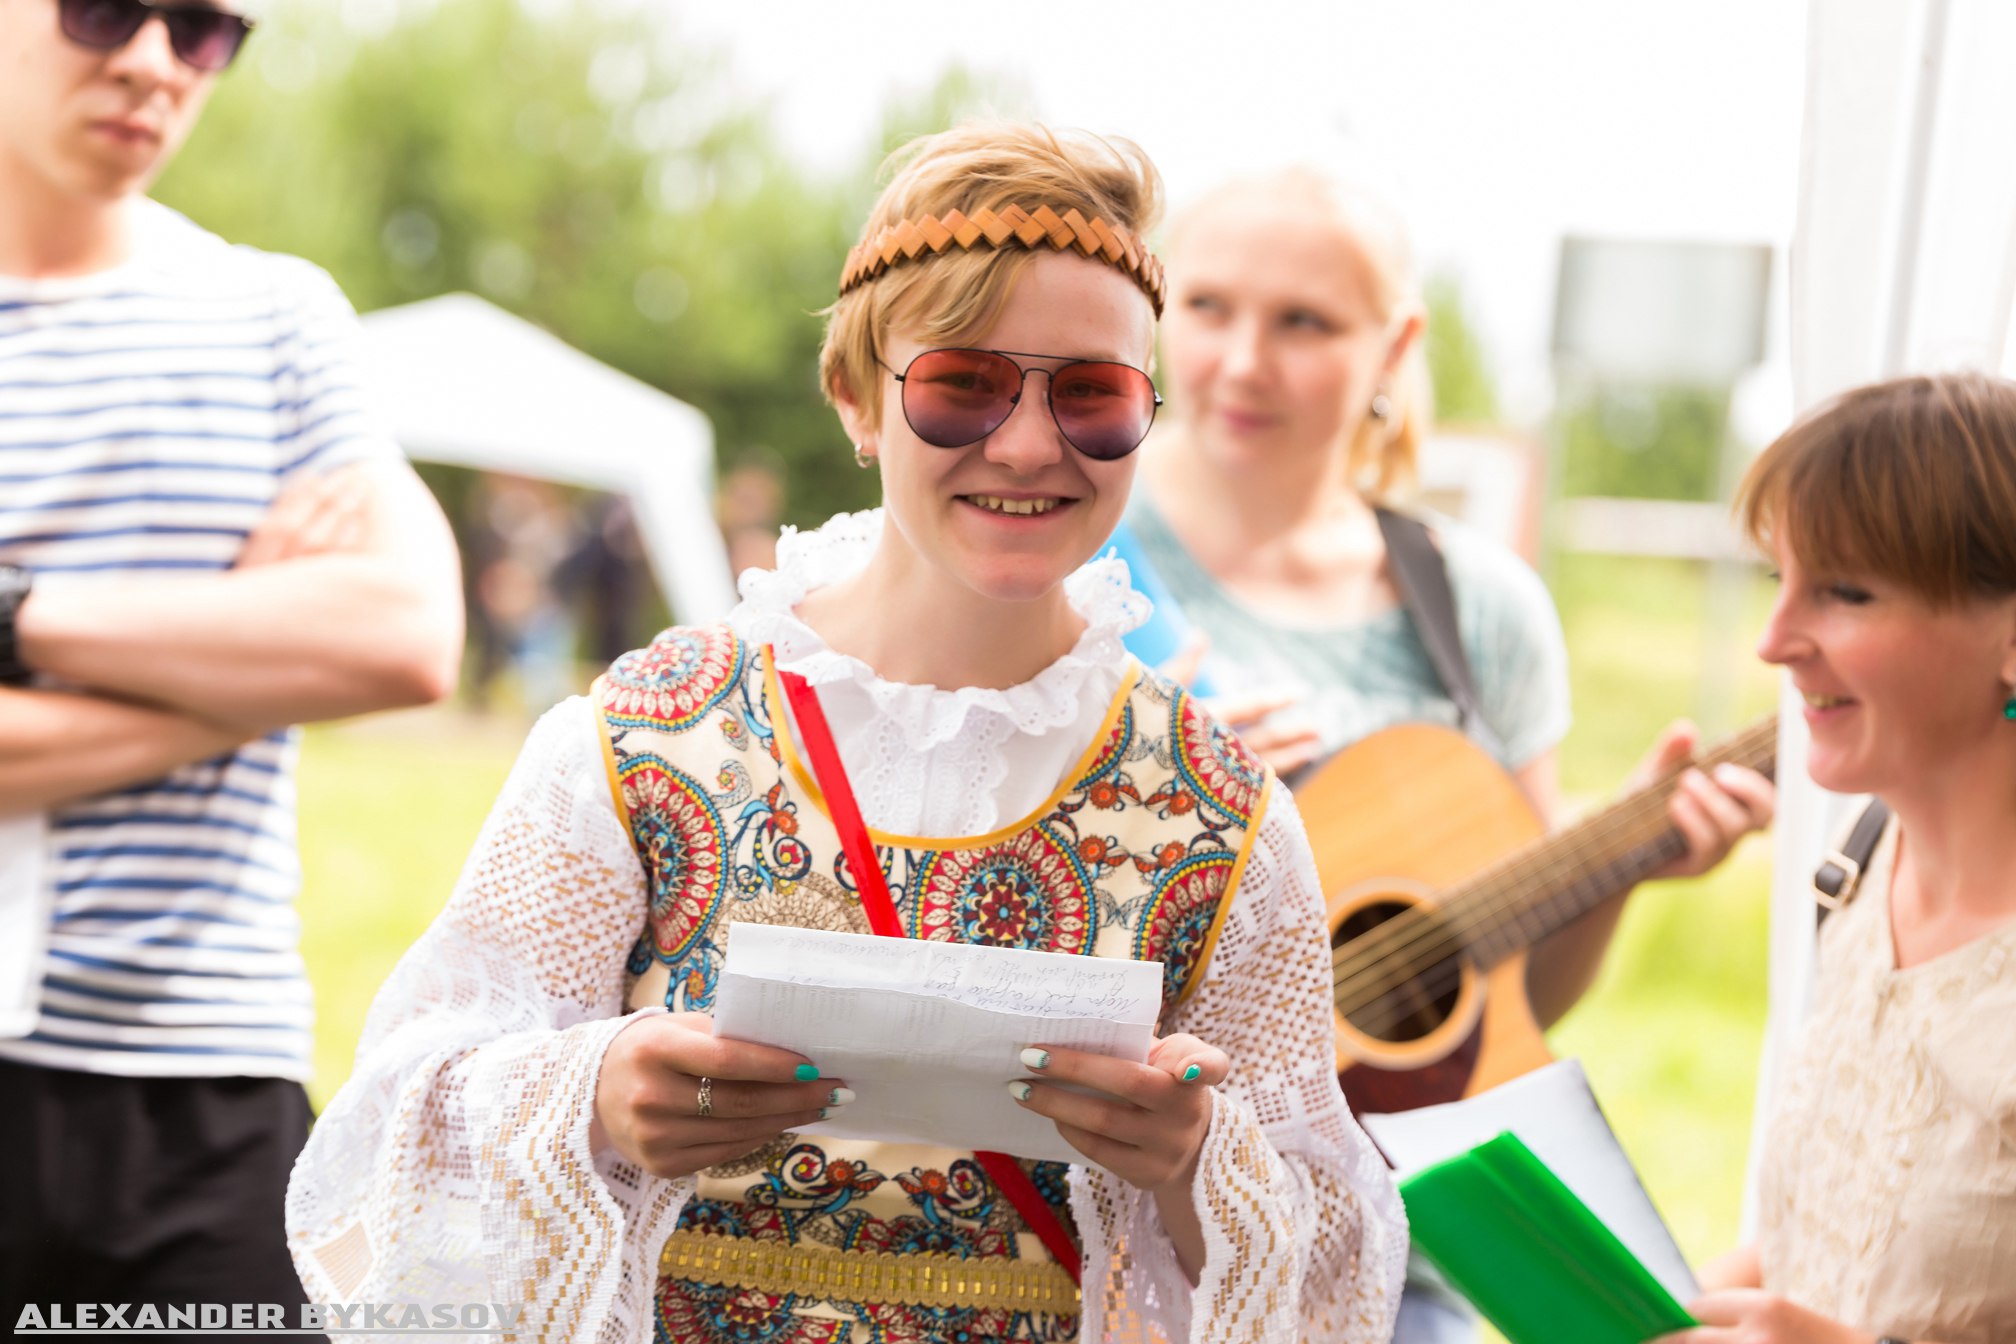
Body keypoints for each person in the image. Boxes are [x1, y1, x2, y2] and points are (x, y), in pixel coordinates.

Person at [287, 124, 1407, 1343]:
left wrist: (1197, 1161)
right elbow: (399, 1116)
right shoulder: (643, 739)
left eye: (1091, 393)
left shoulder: (1222, 815)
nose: (1029, 443)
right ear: (858, 400)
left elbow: (1337, 1266)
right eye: (963, 385)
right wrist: (592, 1093)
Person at [1124, 167, 1777, 1340]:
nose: (1244, 361)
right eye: (1209, 306)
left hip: (1394, 1272)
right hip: (1126, 1245)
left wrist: (1614, 866)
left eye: (1304, 322)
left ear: (1396, 345)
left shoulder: (1481, 610)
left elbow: (1496, 1014)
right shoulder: (1076, 560)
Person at [0, 0, 463, 1323]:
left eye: (204, 29)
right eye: (101, 10)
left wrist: (19, 614)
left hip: (213, 1089)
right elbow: (341, 651)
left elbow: (404, 634)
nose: (153, 62)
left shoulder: (276, 315)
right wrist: (249, 660)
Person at [1650, 371, 2016, 1344]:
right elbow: (1829, 1242)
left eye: (1846, 592)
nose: (1774, 642)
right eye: (1780, 581)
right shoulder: (1858, 866)